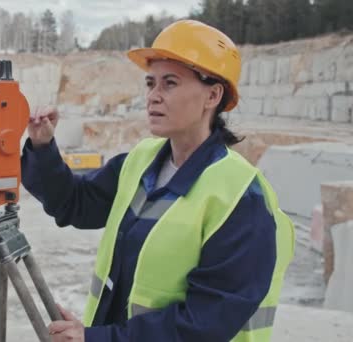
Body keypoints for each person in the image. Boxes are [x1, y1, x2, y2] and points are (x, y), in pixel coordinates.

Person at [21, 19, 295, 342]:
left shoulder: (240, 197)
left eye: (170, 83)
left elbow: (202, 324)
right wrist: (43, 147)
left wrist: (98, 339)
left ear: (213, 95)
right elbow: (74, 203)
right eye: (150, 83)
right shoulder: (141, 161)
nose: (153, 96)